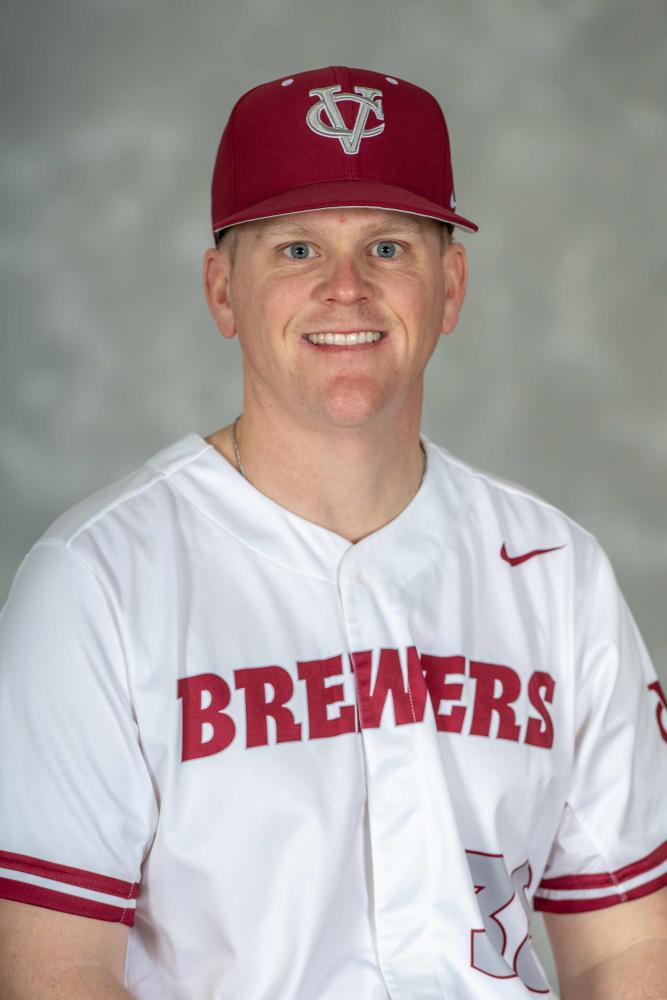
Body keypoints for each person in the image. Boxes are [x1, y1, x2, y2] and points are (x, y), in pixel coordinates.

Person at [0, 65, 666, 1000]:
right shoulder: (99, 579)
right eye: (297, 250)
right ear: (222, 290)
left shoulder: (555, 572)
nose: (346, 289)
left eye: (389, 248)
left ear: (450, 287)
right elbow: (53, 974)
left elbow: (627, 951)